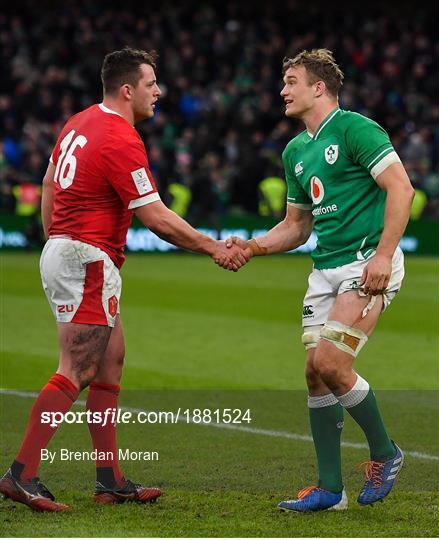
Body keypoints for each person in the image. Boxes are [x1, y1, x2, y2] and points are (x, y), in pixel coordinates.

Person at [0, 47, 248, 512]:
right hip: (87, 256)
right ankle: (22, 473)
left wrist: (55, 237)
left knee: (110, 361)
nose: (159, 92)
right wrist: (213, 246)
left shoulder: (77, 122)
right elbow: (154, 216)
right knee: (78, 368)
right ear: (127, 89)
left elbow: (51, 183)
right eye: (152, 83)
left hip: (71, 250)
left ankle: (109, 479)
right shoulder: (120, 136)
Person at [225, 49, 414, 512]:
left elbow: (402, 188)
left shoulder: (355, 129)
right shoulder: (295, 151)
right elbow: (297, 226)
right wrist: (250, 247)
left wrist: (385, 256)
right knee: (314, 375)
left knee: (331, 364)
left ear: (319, 88)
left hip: (366, 263)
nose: (283, 90)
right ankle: (331, 490)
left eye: (291, 81)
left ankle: (386, 454)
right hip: (324, 269)